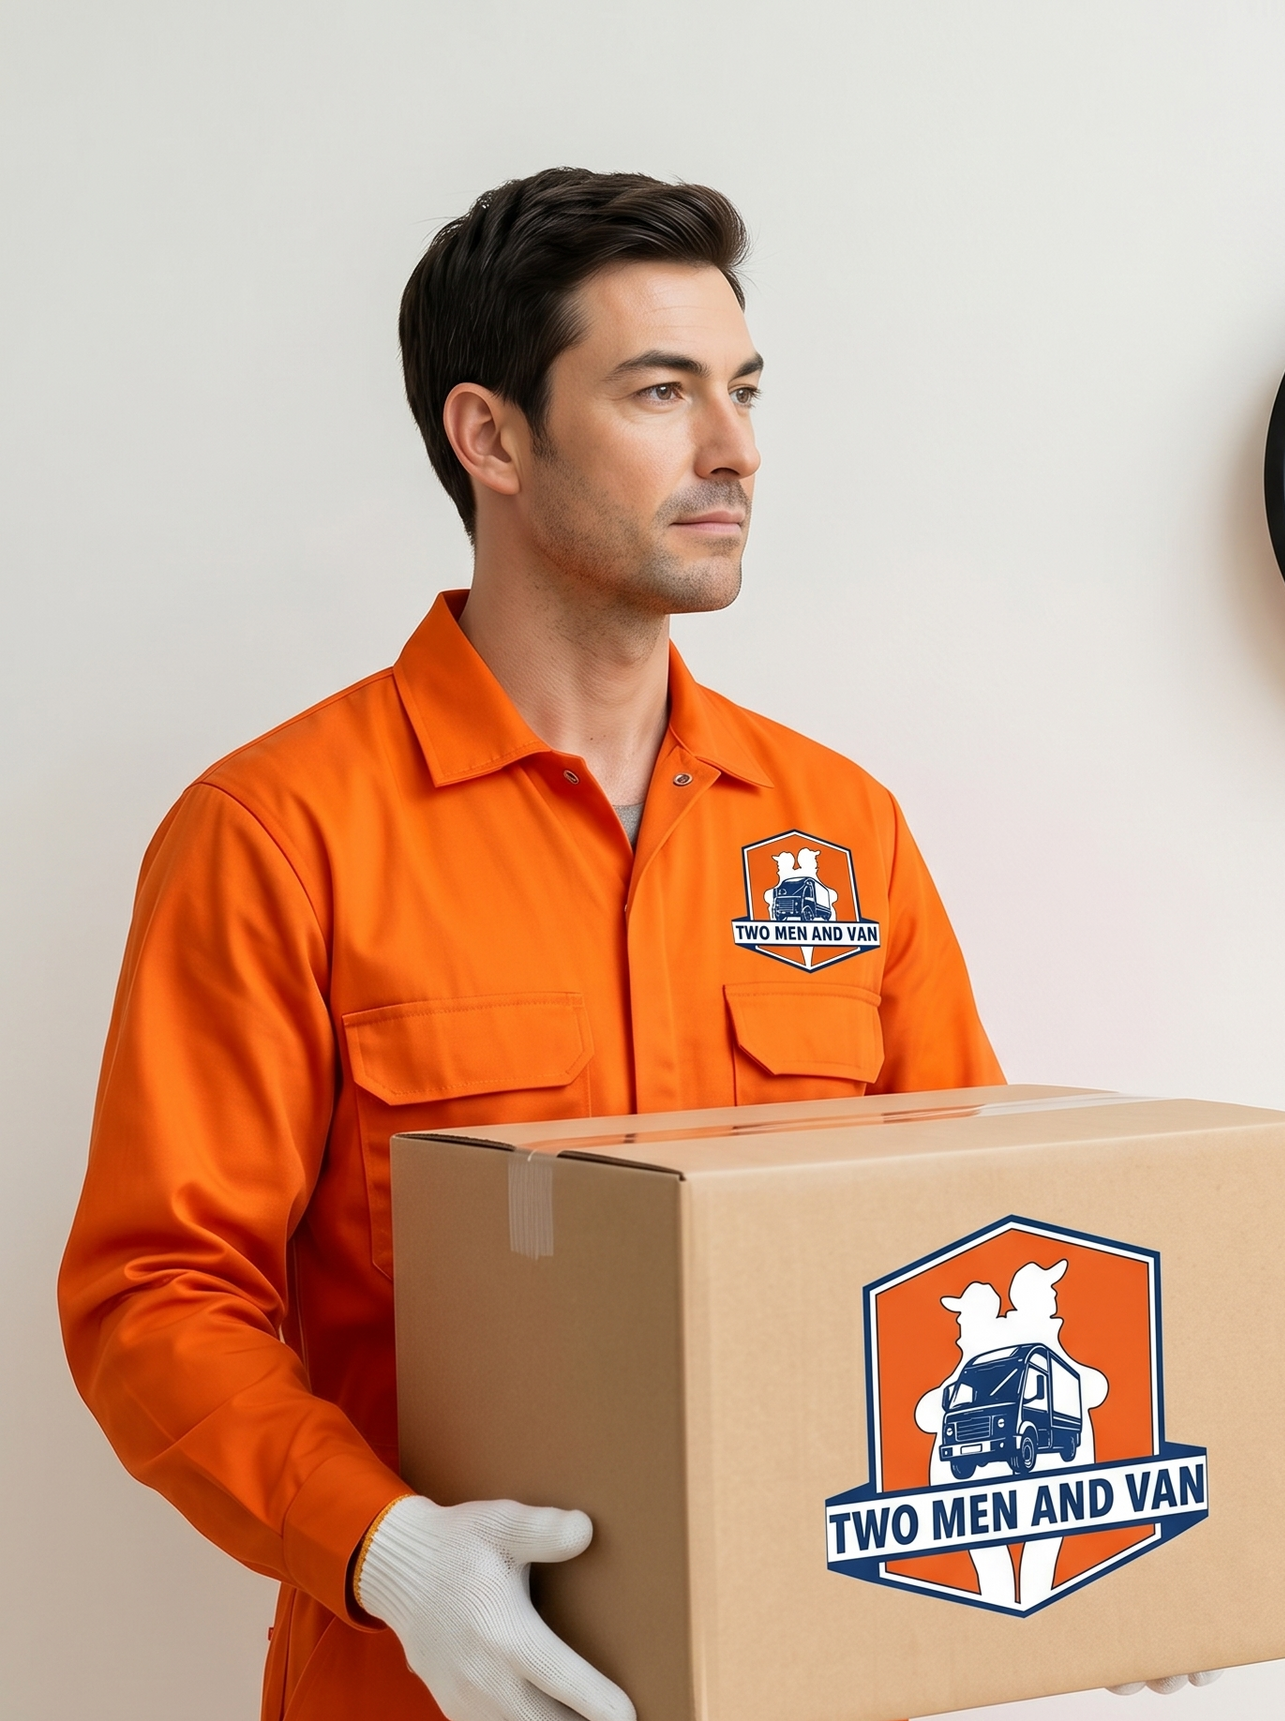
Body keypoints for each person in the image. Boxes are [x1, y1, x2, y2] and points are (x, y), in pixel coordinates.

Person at [57, 169, 1003, 1721]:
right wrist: (394, 1556)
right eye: (660, 390)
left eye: (746, 390)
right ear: (490, 437)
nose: (736, 449)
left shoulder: (843, 830)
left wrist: (1080, 1529)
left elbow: (962, 1233)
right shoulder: (279, 832)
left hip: (815, 1670)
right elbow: (155, 1297)